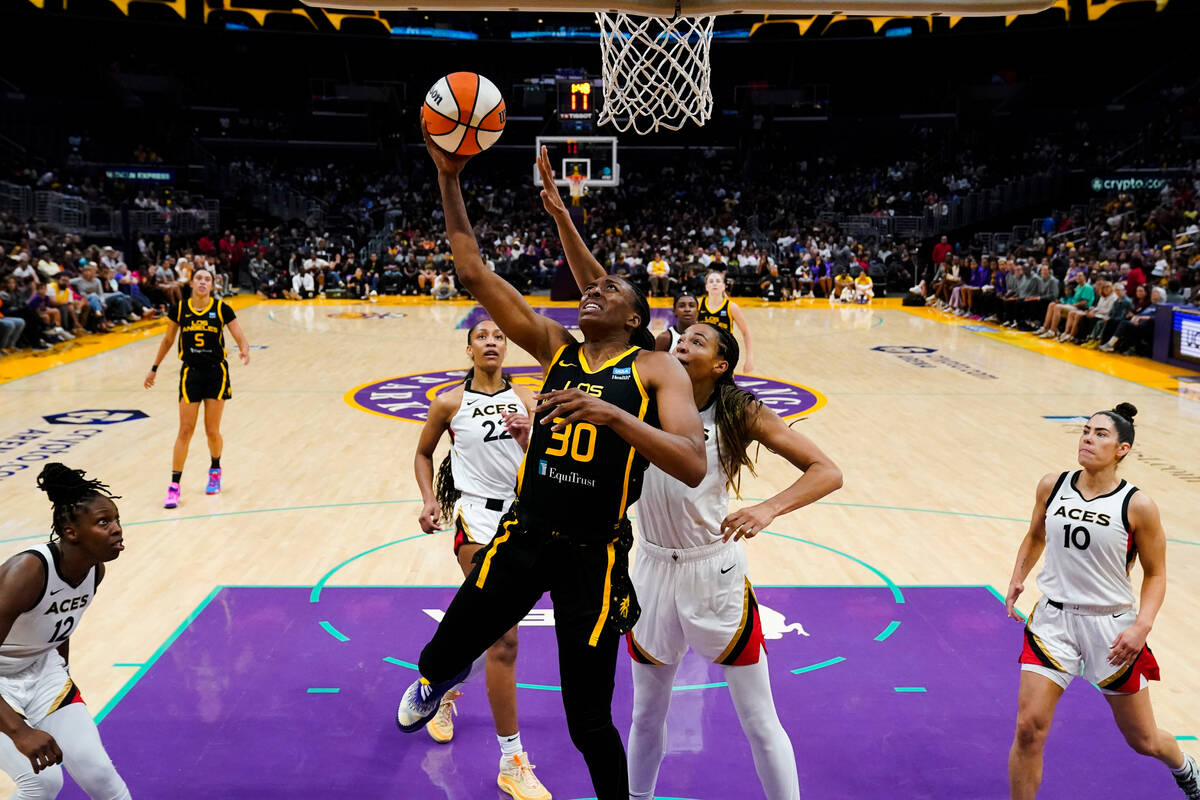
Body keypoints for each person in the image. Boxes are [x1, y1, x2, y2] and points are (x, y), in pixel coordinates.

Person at [395, 124, 706, 800]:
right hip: (523, 535)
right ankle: (433, 683)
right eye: (588, 289)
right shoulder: (555, 345)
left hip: (593, 556)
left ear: (633, 319)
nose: (590, 291)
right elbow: (474, 269)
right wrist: (450, 179)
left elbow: (691, 462)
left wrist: (615, 416)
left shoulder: (654, 368)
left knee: (587, 719)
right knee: (443, 655)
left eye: (607, 291)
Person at [1004, 404, 1199, 800]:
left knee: (1143, 740)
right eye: (1086, 431)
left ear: (1122, 449)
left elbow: (1156, 574)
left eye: (1100, 434)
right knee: (1028, 729)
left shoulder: (1137, 505)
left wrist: (1141, 626)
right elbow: (1036, 535)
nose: (1088, 439)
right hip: (1053, 623)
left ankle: (1185, 766)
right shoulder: (1052, 485)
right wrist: (1018, 577)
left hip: (1111, 630)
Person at [413, 319, 548, 799]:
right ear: (469, 348)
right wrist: (430, 500)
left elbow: (547, 463)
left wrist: (528, 440)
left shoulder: (531, 399)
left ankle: (444, 687)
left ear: (505, 348)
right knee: (503, 638)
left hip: (525, 520)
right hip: (475, 521)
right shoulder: (448, 402)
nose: (491, 341)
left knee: (476, 626)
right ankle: (513, 762)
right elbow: (424, 454)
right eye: (482, 336)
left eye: (498, 336)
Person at [0, 463, 131, 799]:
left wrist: (63, 675)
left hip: (42, 672)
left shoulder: (93, 571)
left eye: (116, 520)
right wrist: (19, 731)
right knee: (42, 783)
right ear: (71, 533)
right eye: (104, 522)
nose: (117, 529)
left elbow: (58, 628)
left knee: (101, 776)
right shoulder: (27, 573)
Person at [144, 266, 250, 508]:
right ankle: (174, 486)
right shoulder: (179, 309)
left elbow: (237, 333)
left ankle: (215, 470)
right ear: (191, 283)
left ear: (212, 285)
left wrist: (244, 346)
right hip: (190, 373)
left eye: (207, 279)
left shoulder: (221, 308)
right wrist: (154, 368)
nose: (203, 282)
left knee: (212, 430)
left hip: (216, 373)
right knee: (185, 430)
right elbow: (168, 340)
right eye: (199, 278)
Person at [696, 269, 755, 373]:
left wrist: (749, 358)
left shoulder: (731, 307)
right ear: (706, 287)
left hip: (724, 356)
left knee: (724, 388)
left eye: (718, 281)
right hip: (703, 354)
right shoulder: (698, 304)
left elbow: (746, 332)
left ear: (723, 286)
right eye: (711, 281)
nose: (714, 283)